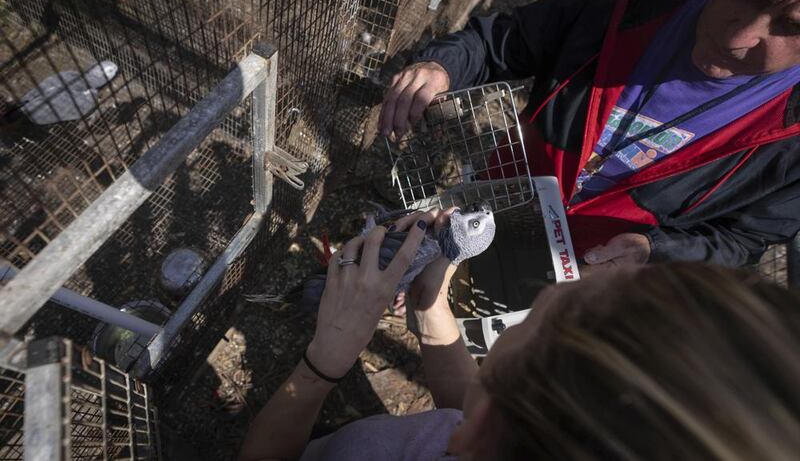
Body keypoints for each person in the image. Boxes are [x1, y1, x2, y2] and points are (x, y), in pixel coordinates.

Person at [379, 0, 800, 271]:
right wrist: (442, 67)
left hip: (582, 279)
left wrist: (655, 250)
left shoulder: (792, 144)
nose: (739, 36)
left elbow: (743, 240)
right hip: (491, 202)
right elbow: (500, 43)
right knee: (404, 273)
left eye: (791, 27)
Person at [238, 209, 800, 461]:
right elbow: (462, 403)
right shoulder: (512, 436)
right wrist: (432, 304)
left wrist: (325, 361)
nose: (562, 286)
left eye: (543, 319)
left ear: (490, 428)